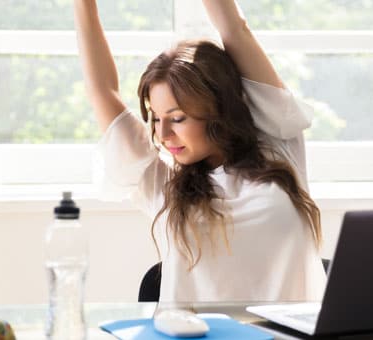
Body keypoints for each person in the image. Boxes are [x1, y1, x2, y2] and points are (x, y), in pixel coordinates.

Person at [74, 0, 326, 302]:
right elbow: (103, 91)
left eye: (178, 118)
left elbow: (234, 27)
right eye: (156, 118)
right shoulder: (162, 187)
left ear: (218, 107)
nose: (163, 134)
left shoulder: (279, 141)